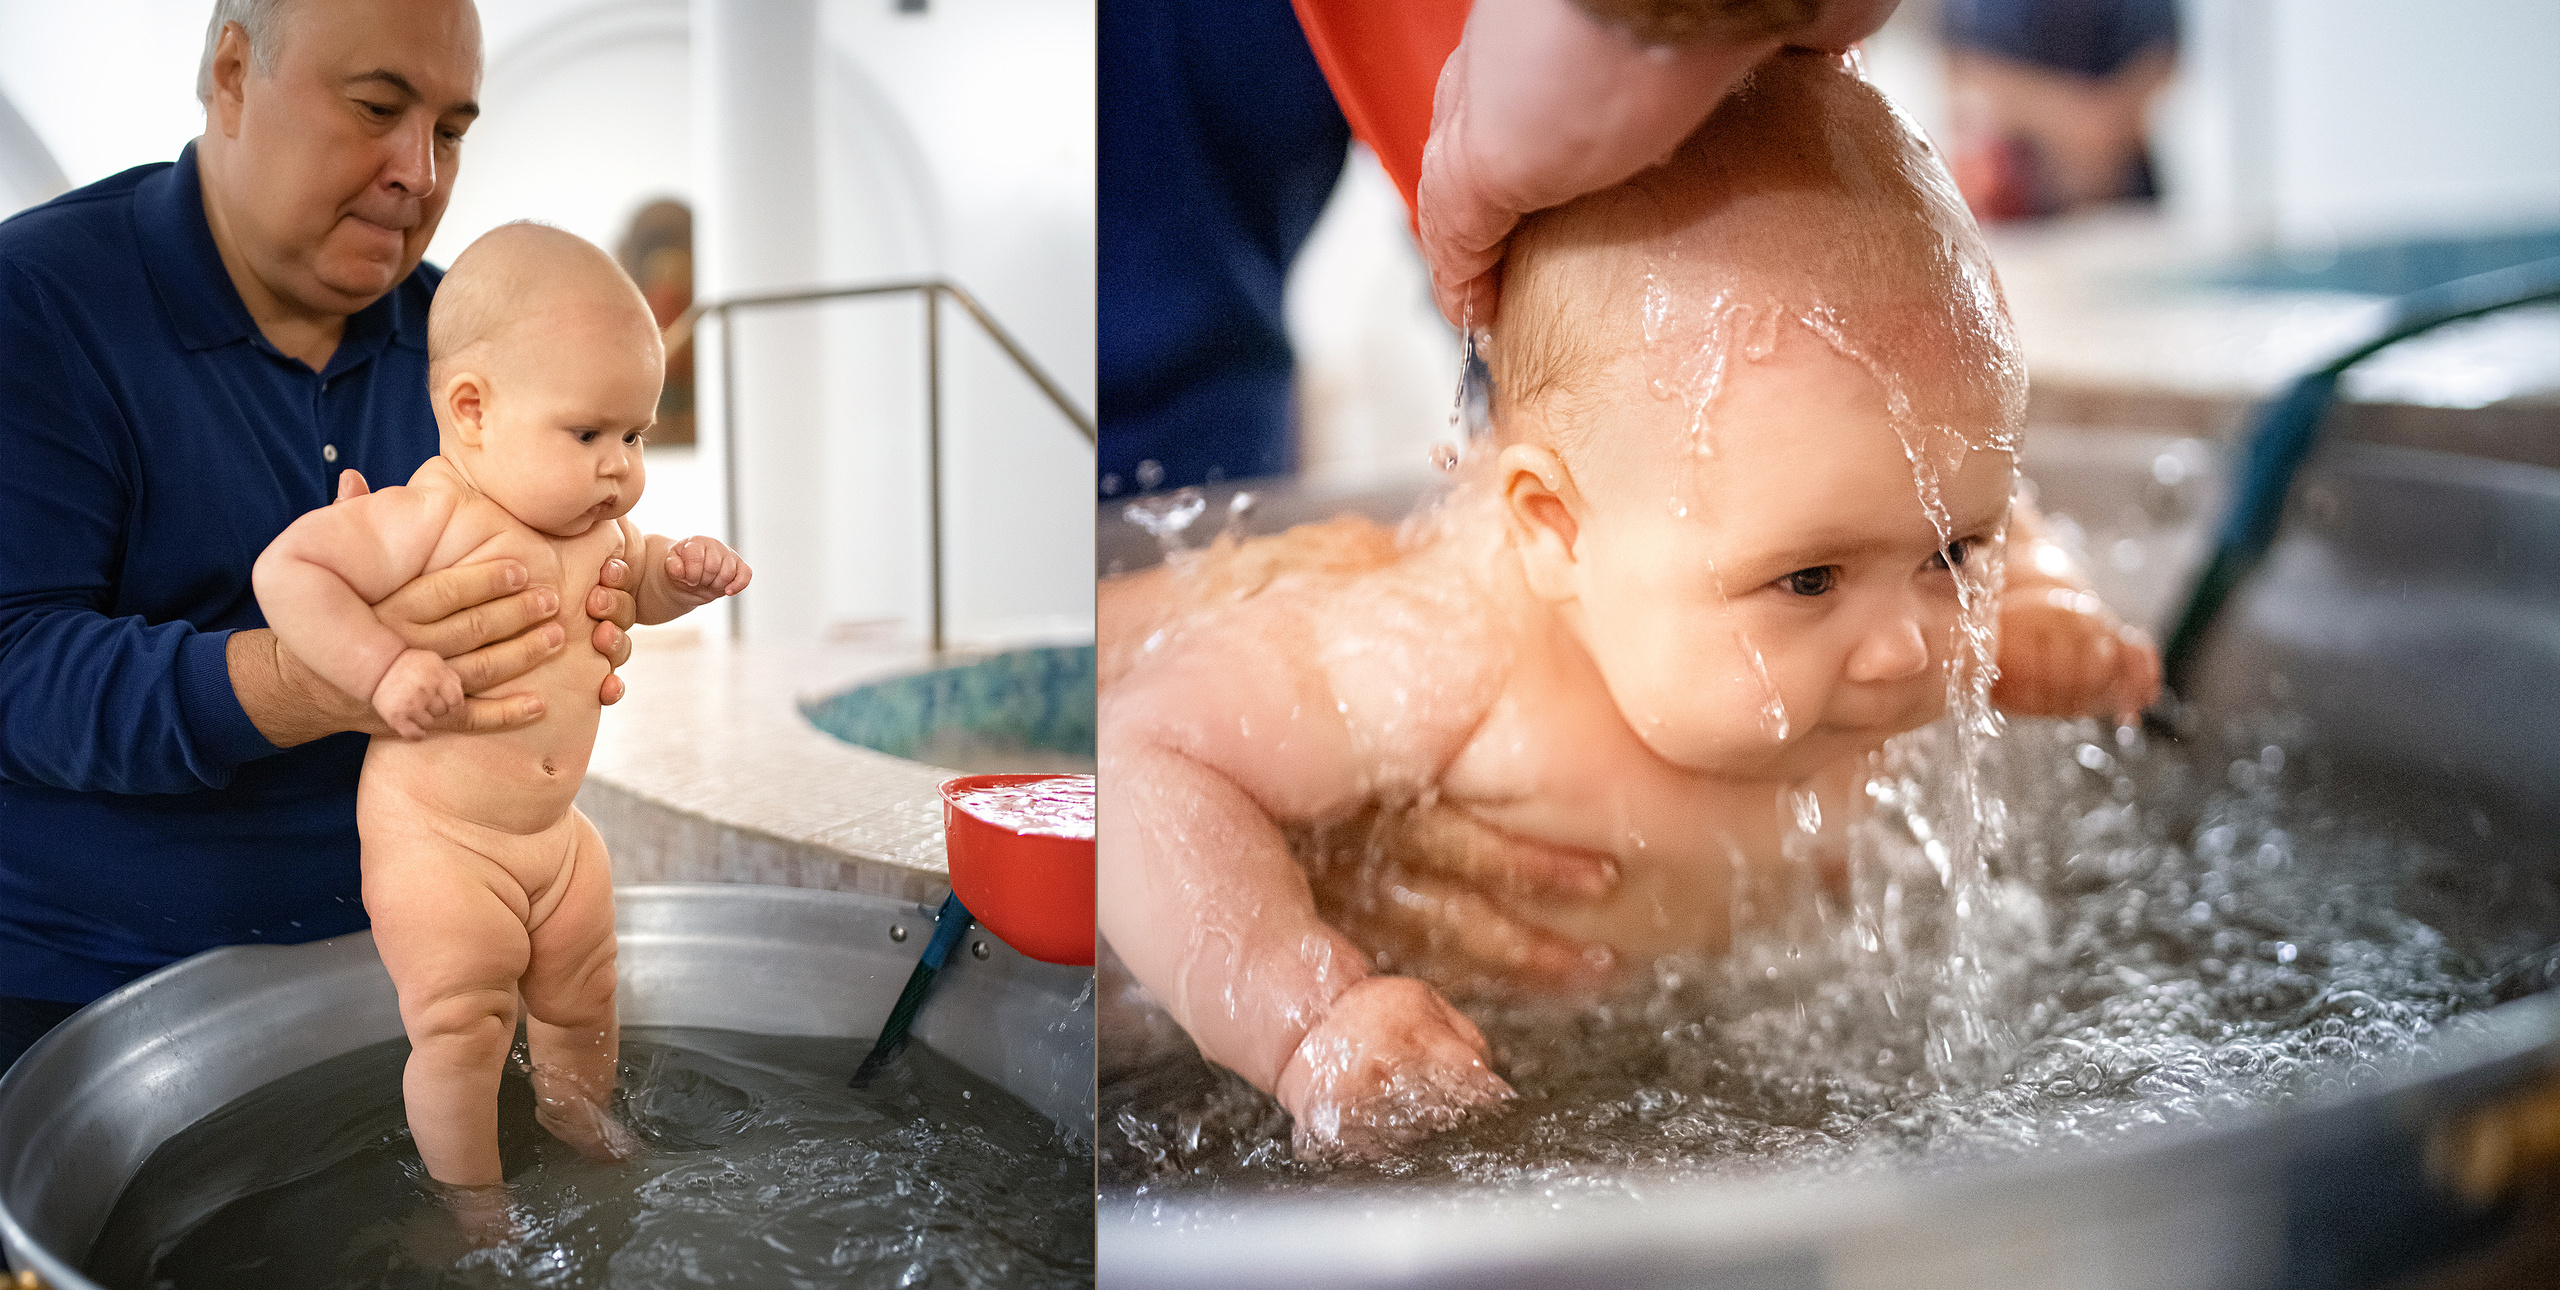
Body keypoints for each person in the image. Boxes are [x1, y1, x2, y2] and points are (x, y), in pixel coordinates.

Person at [1097, 51, 2160, 1160]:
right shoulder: (1447, 643)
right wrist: (1306, 1013)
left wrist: (2038, 600)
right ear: (1559, 534)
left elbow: (1979, 490)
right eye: (1807, 580)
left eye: (1950, 551)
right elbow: (1145, 753)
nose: (1906, 648)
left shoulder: (1843, 512)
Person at [0, 0, 636, 1071]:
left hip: (417, 949)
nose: (419, 174)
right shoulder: (39, 305)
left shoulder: (468, 355)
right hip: (86, 982)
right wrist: (311, 679)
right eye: (379, 106)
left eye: (449, 131)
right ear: (235, 73)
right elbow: (14, 667)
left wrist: (575, 622)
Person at [256, 223, 749, 1191]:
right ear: (472, 412)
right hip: (440, 841)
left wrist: (678, 580)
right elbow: (292, 569)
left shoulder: (603, 524)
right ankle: (471, 1206)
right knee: (461, 1024)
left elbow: (635, 584)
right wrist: (382, 665)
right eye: (589, 434)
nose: (620, 466)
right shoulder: (429, 516)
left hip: (556, 840)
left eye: (635, 435)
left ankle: (578, 1117)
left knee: (586, 995)